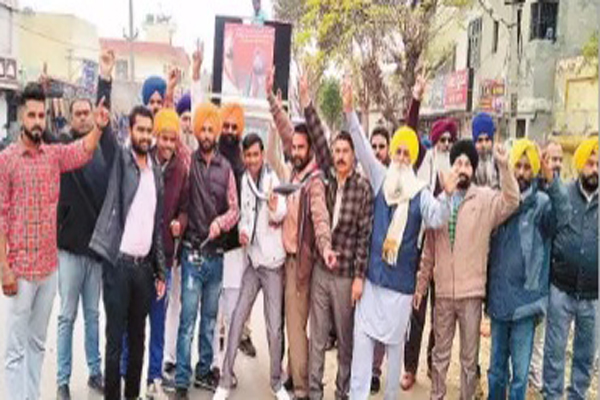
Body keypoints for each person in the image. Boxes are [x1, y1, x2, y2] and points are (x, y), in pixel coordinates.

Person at [343, 78, 458, 400]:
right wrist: (350, 111)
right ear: (392, 153)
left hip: (400, 289)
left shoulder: (420, 192)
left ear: (414, 156)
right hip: (373, 282)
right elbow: (362, 147)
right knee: (362, 349)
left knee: (394, 357)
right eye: (399, 151)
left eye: (409, 152)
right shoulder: (381, 178)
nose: (403, 156)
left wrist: (448, 195)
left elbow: (437, 217)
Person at [0, 81, 106, 400]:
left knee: (36, 344)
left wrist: (99, 127)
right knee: (15, 350)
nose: (37, 121)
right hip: (19, 271)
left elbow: (82, 150)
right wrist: (4, 268)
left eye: (41, 115)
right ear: (21, 117)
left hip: (48, 270)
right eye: (31, 115)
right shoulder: (7, 161)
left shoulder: (53, 156)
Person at [414, 138, 519, 400]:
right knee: (440, 355)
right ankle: (436, 396)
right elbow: (429, 251)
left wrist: (504, 166)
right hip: (443, 295)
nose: (462, 168)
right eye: (458, 163)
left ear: (473, 169)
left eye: (467, 164)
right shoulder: (440, 201)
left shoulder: (484, 200)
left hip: (471, 294)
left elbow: (512, 201)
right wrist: (421, 285)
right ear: (451, 167)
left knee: (469, 360)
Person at [296, 76, 374, 400]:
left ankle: (343, 393)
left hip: (345, 278)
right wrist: (305, 99)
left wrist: (358, 278)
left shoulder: (363, 188)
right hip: (320, 271)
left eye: (345, 151)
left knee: (345, 339)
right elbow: (316, 132)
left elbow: (365, 236)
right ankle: (315, 392)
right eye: (337, 151)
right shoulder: (327, 174)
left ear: (354, 156)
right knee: (317, 336)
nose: (340, 156)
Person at [89, 105, 167, 400]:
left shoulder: (155, 172)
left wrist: (160, 271)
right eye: (140, 130)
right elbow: (108, 142)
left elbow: (156, 227)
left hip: (143, 270)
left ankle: (132, 396)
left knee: (138, 341)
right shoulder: (122, 161)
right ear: (130, 131)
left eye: (149, 131)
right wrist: (105, 83)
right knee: (114, 343)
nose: (145, 136)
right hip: (118, 267)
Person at [268, 77, 337, 400]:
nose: (294, 151)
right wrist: (272, 100)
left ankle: (302, 389)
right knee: (291, 326)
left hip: (304, 265)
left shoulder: (314, 181)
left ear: (310, 149)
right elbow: (286, 131)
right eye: (293, 147)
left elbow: (321, 219)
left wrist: (326, 247)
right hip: (287, 261)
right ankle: (298, 378)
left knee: (298, 330)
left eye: (300, 147)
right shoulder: (295, 172)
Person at [53, 50, 116, 400]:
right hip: (68, 250)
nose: (82, 117)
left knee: (93, 316)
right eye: (77, 113)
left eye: (86, 112)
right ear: (69, 116)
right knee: (66, 317)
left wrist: (105, 77)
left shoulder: (102, 147)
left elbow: (105, 112)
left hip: (95, 252)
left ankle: (95, 372)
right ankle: (62, 380)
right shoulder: (61, 146)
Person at [486, 139, 569, 400]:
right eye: (517, 166)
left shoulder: (542, 204)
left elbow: (564, 218)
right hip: (499, 299)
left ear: (534, 169)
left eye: (526, 167)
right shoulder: (500, 201)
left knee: (520, 375)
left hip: (526, 303)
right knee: (496, 370)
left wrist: (551, 179)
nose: (521, 172)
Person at [213, 133, 290, 400]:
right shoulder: (244, 180)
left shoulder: (273, 180)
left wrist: (274, 208)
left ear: (262, 154)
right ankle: (225, 380)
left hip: (273, 266)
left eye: (256, 154)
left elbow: (281, 213)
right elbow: (245, 216)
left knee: (274, 328)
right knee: (236, 318)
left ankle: (276, 382)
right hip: (253, 262)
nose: (252, 160)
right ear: (243, 156)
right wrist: (244, 232)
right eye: (248, 155)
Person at [173, 103, 240, 399]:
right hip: (192, 253)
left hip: (216, 257)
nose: (208, 133)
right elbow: (174, 137)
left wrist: (220, 223)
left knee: (210, 321)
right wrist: (170, 96)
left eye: (213, 129)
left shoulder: (227, 169)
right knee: (187, 320)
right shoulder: (189, 161)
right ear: (198, 131)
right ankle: (181, 379)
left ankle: (203, 372)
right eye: (204, 129)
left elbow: (235, 210)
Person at [399, 117, 459, 392]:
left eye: (449, 140)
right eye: (442, 140)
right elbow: (409, 129)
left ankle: (433, 366)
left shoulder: (457, 167)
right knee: (417, 310)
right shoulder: (424, 160)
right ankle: (409, 368)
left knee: (440, 314)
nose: (446, 144)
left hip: (447, 246)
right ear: (434, 141)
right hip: (422, 244)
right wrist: (415, 99)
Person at [542, 137, 598, 400]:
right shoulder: (563, 193)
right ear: (579, 164)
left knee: (585, 357)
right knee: (554, 353)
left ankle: (577, 395)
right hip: (561, 290)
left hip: (592, 296)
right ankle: (552, 395)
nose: (594, 169)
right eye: (590, 163)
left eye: (598, 164)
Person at [142, 109, 189, 397]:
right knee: (133, 321)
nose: (168, 144)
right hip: (138, 256)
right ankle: (126, 374)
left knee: (158, 321)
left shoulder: (181, 170)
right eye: (164, 138)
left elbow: (184, 208)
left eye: (172, 139)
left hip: (165, 257)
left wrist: (179, 224)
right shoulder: (143, 161)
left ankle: (154, 377)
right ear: (156, 136)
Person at [528, 138, 564, 393]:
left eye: (560, 159)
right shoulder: (533, 188)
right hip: (531, 272)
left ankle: (535, 377)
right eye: (552, 159)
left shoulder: (563, 191)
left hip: (554, 274)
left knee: (541, 333)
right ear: (542, 161)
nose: (556, 164)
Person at [472, 112, 500, 189]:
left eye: (487, 140)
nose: (484, 145)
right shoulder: (471, 162)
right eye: (480, 140)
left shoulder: (498, 161)